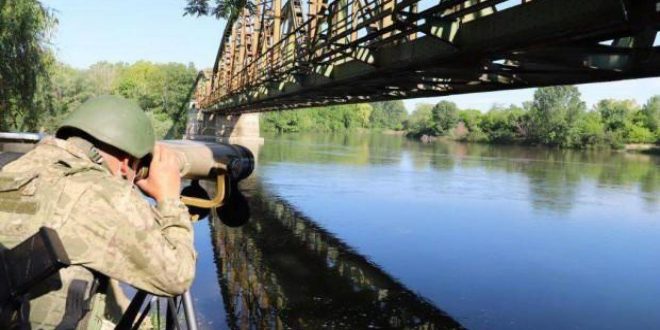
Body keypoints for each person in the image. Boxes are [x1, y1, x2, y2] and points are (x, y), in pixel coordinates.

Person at [0, 95, 196, 329]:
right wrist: (169, 199)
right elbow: (176, 276)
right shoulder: (106, 195)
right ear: (126, 164)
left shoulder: (13, 167)